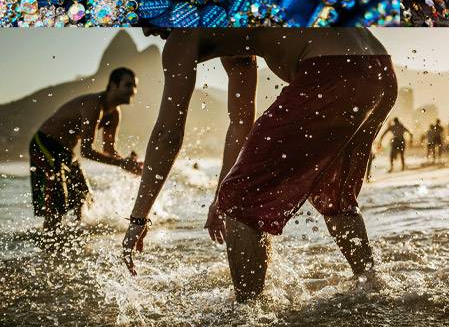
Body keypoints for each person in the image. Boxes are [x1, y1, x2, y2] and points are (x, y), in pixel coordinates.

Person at [122, 30, 397, 302]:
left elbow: (168, 136)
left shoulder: (182, 37)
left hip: (332, 70)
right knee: (335, 190)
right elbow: (240, 123)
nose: (145, 29)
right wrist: (220, 195)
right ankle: (371, 285)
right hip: (380, 69)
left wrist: (138, 219)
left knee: (241, 197)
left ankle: (250, 316)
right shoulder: (234, 29)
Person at [29, 67, 144, 230]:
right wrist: (121, 164)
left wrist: (128, 162)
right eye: (128, 85)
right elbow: (86, 151)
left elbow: (110, 150)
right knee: (57, 200)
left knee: (83, 196)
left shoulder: (114, 113)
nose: (133, 90)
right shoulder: (94, 106)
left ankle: (77, 234)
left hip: (65, 151)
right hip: (45, 144)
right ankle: (49, 243)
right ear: (113, 85)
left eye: (135, 86)